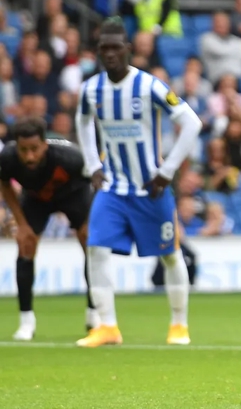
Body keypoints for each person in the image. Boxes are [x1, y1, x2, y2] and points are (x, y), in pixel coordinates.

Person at [73, 17, 203, 347]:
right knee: (96, 250)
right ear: (99, 51)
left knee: (171, 255)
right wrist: (93, 165)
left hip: (151, 188)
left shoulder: (149, 86)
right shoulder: (91, 88)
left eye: (116, 48)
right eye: (104, 49)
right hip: (113, 188)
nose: (110, 54)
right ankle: (107, 326)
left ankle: (179, 325)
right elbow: (83, 121)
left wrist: (168, 170)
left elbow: (191, 123)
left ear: (128, 49)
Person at [0, 117, 98, 341]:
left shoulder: (71, 157)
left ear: (45, 143)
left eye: (35, 149)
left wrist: (89, 221)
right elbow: (4, 184)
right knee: (25, 245)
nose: (30, 156)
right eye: (24, 150)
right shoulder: (7, 158)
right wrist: (22, 225)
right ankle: (27, 321)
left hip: (74, 195)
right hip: (36, 199)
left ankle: (94, 313)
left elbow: (95, 181)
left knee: (89, 242)